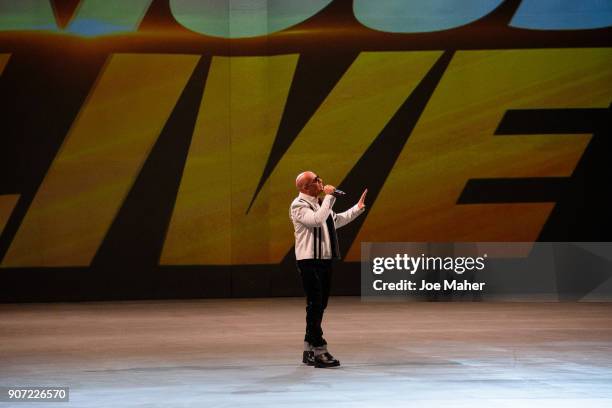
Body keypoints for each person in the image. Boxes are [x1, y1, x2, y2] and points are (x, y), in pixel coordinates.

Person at [289, 171, 367, 368]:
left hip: (324, 260)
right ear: (305, 188)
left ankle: (308, 348)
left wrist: (357, 209)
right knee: (315, 305)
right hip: (309, 261)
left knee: (319, 305)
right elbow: (316, 220)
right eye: (316, 180)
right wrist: (330, 197)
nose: (321, 181)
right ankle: (320, 350)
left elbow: (335, 221)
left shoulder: (319, 204)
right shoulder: (299, 205)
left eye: (319, 177)